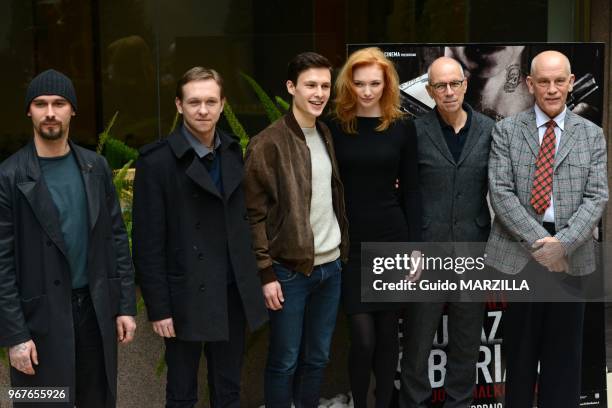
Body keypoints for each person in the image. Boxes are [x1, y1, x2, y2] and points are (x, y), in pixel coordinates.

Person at [0, 69, 137, 408]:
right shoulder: (8, 175)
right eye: (40, 103)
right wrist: (15, 336)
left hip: (94, 311)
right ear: (29, 111)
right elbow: (1, 264)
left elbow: (116, 239)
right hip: (38, 320)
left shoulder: (96, 167)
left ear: (72, 110)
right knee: (39, 403)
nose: (50, 112)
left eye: (59, 103)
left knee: (97, 399)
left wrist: (124, 306)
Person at [132, 67, 267, 408]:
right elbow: (147, 244)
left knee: (228, 388)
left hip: (231, 293)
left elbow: (245, 223)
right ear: (179, 105)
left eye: (210, 101)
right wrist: (159, 308)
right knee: (181, 393)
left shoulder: (234, 151)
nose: (203, 110)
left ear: (223, 105)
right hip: (184, 297)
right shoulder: (157, 161)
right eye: (194, 102)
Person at [486, 50, 608, 407]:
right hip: (522, 255)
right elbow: (501, 191)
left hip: (573, 256)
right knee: (521, 357)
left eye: (559, 81)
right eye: (543, 81)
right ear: (530, 84)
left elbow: (597, 196)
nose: (552, 89)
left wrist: (563, 244)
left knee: (564, 359)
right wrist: (543, 245)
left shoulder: (591, 134)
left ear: (571, 83)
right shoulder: (507, 131)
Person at [243, 52, 349, 408]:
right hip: (289, 272)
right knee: (284, 361)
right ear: (291, 88)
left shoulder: (325, 133)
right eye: (310, 86)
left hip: (330, 268)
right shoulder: (267, 143)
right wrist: (266, 272)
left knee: (317, 358)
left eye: (324, 86)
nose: (319, 93)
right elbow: (252, 215)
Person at [326, 47, 420, 408]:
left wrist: (415, 249)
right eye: (360, 83)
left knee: (386, 336)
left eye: (374, 83)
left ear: (387, 84)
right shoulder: (335, 125)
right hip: (350, 242)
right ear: (349, 83)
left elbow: (411, 189)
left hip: (391, 238)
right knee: (362, 337)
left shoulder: (401, 127)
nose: (367, 91)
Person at [399, 57, 495, 408]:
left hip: (473, 250)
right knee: (417, 343)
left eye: (454, 83)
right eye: (440, 86)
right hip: (426, 252)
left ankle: (460, 403)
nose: (448, 91)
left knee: (467, 344)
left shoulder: (488, 129)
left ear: (466, 84)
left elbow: (500, 189)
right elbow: (406, 192)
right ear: (429, 90)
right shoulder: (414, 131)